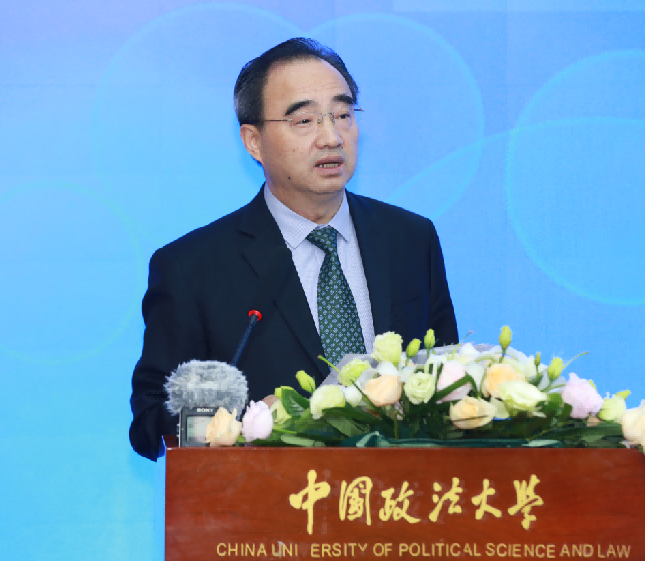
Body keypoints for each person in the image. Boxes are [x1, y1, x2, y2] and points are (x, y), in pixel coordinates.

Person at [130, 38, 458, 460]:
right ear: (253, 141)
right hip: (269, 496)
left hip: (401, 493)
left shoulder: (410, 239)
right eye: (304, 121)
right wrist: (245, 422)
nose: (331, 137)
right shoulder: (192, 267)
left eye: (343, 115)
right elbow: (151, 424)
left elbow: (448, 381)